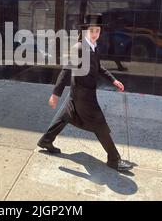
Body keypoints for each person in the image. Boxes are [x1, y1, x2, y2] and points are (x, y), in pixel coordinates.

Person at [37, 14, 133, 171]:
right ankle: (114, 159)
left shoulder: (94, 47)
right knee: (100, 124)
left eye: (98, 30)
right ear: (84, 31)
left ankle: (46, 140)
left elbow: (99, 67)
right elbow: (66, 70)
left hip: (78, 92)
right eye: (92, 30)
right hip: (84, 96)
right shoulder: (79, 48)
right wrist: (55, 94)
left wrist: (113, 80)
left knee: (64, 116)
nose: (95, 34)